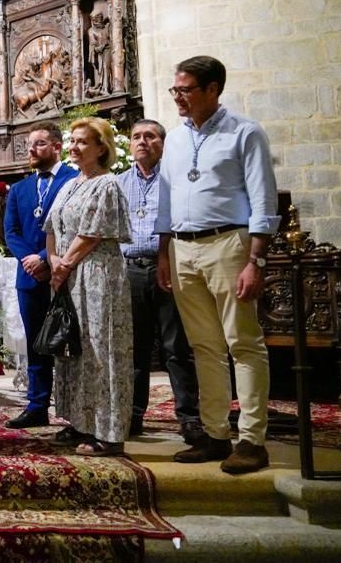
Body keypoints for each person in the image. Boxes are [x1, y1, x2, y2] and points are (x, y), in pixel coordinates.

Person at [156, 55, 280, 474]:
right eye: (175, 90)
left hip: (230, 242)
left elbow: (264, 200)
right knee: (203, 347)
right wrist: (163, 252)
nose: (178, 98)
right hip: (183, 248)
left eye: (186, 90)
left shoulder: (245, 132)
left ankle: (251, 439)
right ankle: (214, 434)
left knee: (243, 342)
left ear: (213, 90)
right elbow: (166, 199)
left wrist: (255, 260)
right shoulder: (174, 140)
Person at [45, 117, 133, 456]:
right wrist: (54, 261)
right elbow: (51, 226)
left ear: (101, 148)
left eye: (83, 142)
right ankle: (80, 421)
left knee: (102, 347)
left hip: (96, 274)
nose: (74, 147)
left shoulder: (107, 184)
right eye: (73, 141)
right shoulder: (70, 184)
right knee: (76, 348)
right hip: (68, 274)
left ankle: (108, 432)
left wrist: (63, 264)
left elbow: (93, 233)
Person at [117, 120, 202, 443]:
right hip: (130, 269)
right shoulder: (120, 182)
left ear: (162, 143)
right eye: (137, 137)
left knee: (175, 346)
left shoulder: (175, 179)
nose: (143, 142)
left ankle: (189, 416)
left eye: (150, 136)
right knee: (135, 348)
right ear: (129, 145)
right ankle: (134, 414)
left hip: (167, 266)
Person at [3, 121, 78, 429]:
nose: (31, 149)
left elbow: (76, 227)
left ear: (57, 146)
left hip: (65, 271)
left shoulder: (75, 180)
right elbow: (11, 231)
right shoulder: (19, 189)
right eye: (30, 144)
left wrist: (46, 257)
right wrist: (30, 260)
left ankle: (75, 410)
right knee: (37, 342)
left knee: (72, 342)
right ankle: (37, 405)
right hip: (30, 276)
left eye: (39, 144)